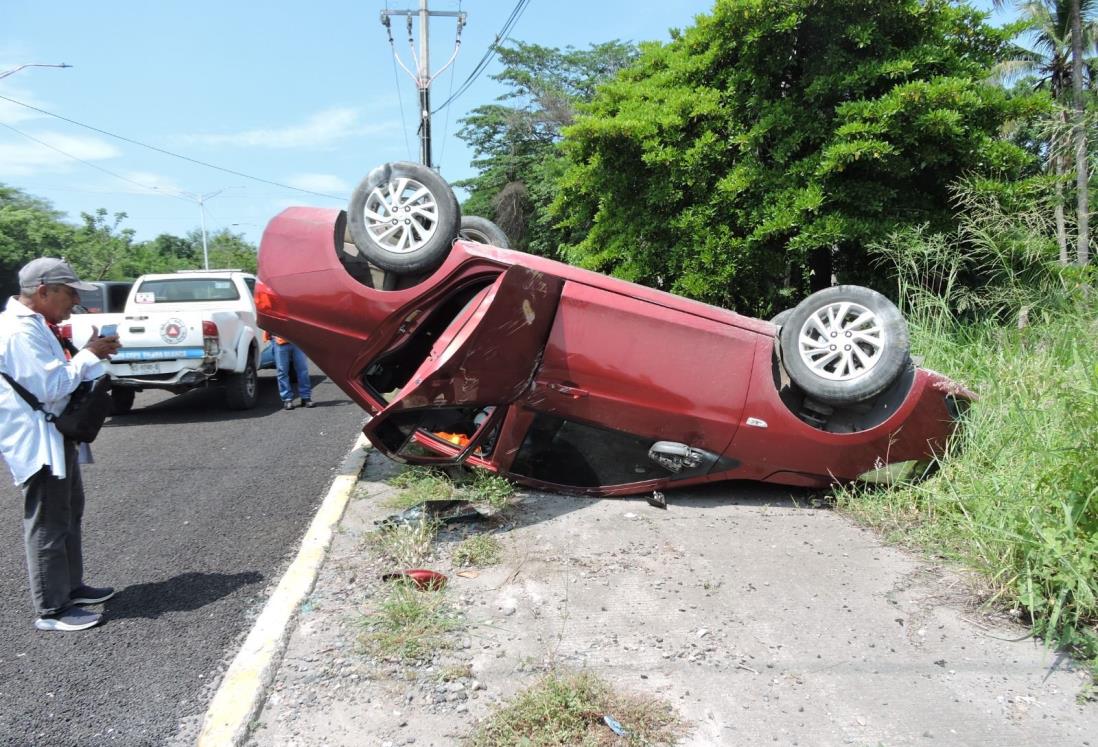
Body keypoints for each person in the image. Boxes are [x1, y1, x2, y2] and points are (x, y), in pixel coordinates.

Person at [0, 258, 121, 632]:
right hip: (38, 442)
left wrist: (83, 352)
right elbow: (51, 386)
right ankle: (52, 609)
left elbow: (52, 375)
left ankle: (71, 587)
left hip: (55, 436)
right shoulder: (19, 331)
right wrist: (90, 355)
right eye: (69, 293)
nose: (74, 301)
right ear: (43, 291)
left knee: (68, 512)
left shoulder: (35, 325)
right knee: (48, 523)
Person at [265, 331, 314, 410]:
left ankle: (306, 397)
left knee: (303, 370)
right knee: (282, 371)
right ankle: (287, 399)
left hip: (298, 340)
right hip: (279, 340)